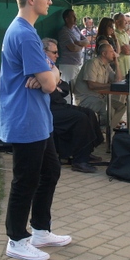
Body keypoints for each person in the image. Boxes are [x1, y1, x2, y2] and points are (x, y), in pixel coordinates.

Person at [0, 0, 71, 260]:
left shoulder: (24, 30)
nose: (50, 1)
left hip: (37, 118)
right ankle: (17, 239)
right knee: (26, 180)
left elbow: (51, 77)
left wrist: (49, 72)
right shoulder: (25, 34)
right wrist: (49, 75)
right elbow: (52, 84)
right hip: (26, 117)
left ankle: (40, 229)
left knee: (50, 171)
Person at [42, 38, 103, 174]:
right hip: (48, 108)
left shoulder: (52, 67)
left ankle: (86, 151)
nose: (57, 55)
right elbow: (49, 89)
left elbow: (64, 87)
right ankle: (79, 161)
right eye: (54, 52)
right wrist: (55, 86)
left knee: (89, 113)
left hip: (59, 104)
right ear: (44, 52)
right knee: (80, 118)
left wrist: (57, 86)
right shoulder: (41, 68)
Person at [74, 43, 126, 129]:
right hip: (86, 98)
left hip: (99, 97)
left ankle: (109, 128)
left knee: (121, 107)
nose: (114, 54)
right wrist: (110, 85)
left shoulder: (106, 65)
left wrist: (117, 64)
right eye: (111, 51)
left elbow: (117, 80)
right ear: (104, 53)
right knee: (109, 110)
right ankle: (106, 129)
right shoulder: (92, 63)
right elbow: (91, 85)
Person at [57, 8, 89, 102]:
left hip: (77, 64)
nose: (75, 18)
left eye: (75, 16)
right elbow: (72, 48)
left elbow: (86, 41)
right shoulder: (64, 32)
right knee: (67, 91)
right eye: (72, 16)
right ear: (66, 19)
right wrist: (81, 46)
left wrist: (78, 42)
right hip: (68, 65)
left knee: (77, 89)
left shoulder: (75, 29)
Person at [113, 13, 130, 78]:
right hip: (121, 68)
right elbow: (126, 51)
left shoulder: (125, 34)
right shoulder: (114, 35)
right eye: (124, 20)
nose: (126, 23)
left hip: (129, 67)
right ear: (117, 21)